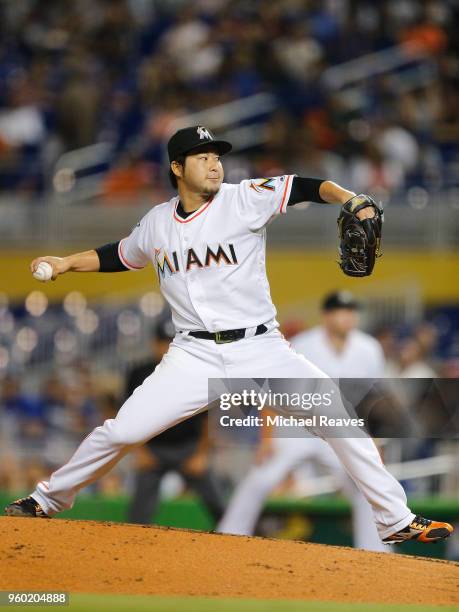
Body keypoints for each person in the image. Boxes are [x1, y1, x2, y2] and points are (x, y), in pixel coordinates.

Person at [5, 125, 452, 545]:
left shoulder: (243, 198)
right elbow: (118, 255)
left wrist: (349, 197)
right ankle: (47, 499)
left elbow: (305, 186)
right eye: (202, 157)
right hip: (192, 355)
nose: (215, 164)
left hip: (261, 348)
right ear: (177, 168)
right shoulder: (157, 222)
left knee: (339, 419)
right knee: (121, 432)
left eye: (216, 156)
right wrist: (65, 263)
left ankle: (394, 520)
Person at [217, 291, 388, 551]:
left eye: (351, 311)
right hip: (298, 426)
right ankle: (228, 536)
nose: (347, 317)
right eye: (341, 311)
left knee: (366, 484)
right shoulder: (302, 344)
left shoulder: (369, 348)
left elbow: (372, 400)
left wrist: (373, 440)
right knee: (261, 479)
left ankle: (377, 551)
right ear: (326, 316)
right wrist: (267, 439)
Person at [125, 318, 224, 524]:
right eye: (163, 342)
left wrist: (202, 454)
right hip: (152, 448)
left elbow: (208, 419)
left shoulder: (196, 372)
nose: (167, 348)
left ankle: (239, 540)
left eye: (172, 343)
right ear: (154, 344)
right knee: (138, 514)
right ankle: (132, 547)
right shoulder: (138, 373)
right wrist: (139, 452)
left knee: (218, 505)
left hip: (188, 448)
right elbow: (124, 417)